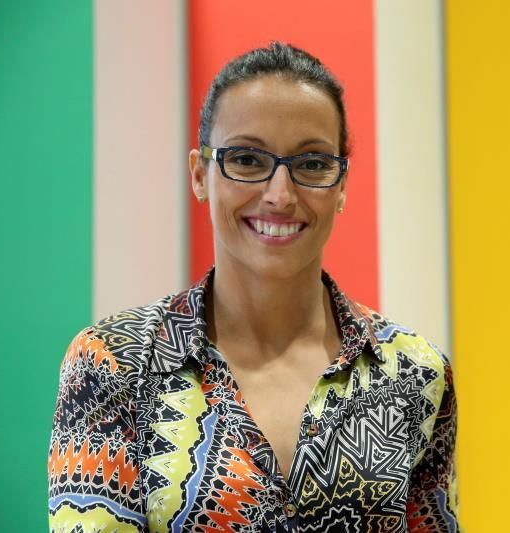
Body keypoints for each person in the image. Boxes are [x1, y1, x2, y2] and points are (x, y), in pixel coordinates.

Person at [48, 42, 458, 532]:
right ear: (200, 175)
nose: (280, 195)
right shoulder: (112, 363)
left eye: (312, 164)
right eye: (246, 159)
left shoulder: (415, 371)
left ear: (342, 185)